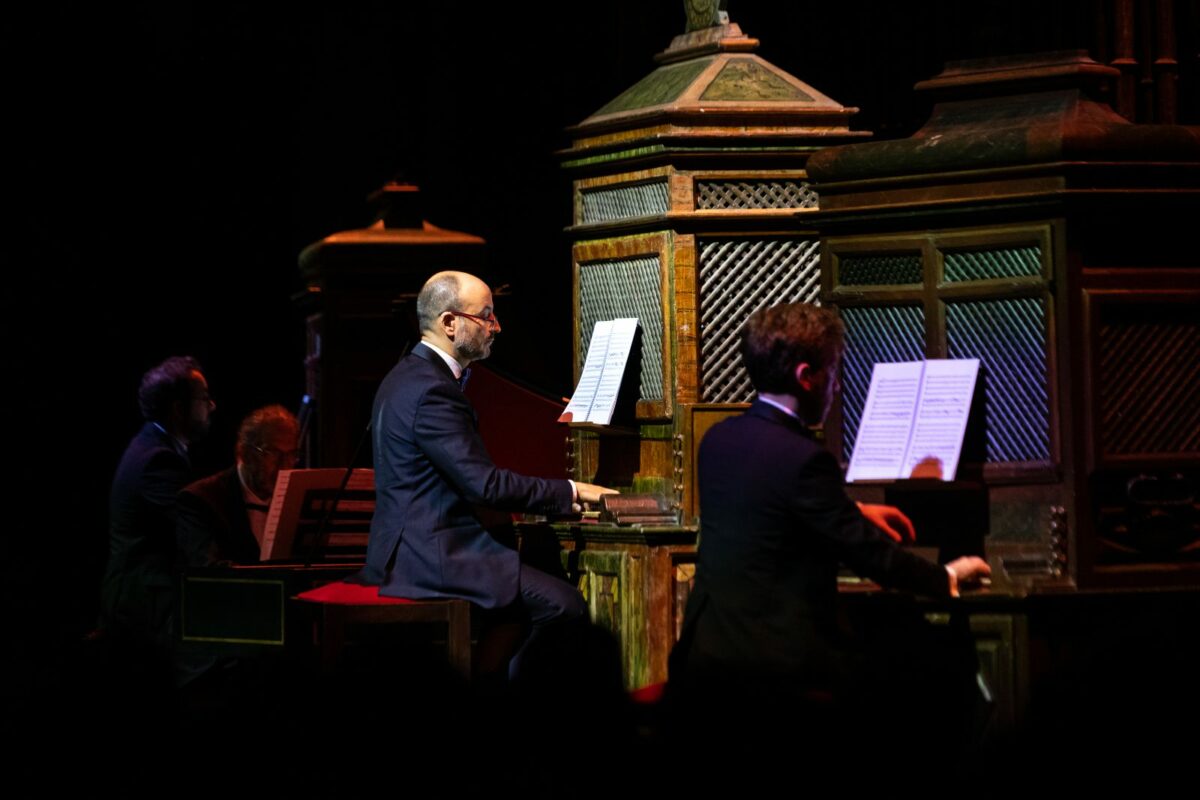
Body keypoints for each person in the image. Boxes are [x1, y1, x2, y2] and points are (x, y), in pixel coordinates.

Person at [666, 303, 991, 785]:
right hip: (777, 668)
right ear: (807, 376)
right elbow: (874, 559)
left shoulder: (719, 440)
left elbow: (765, 509)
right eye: (834, 372)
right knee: (932, 685)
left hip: (707, 655)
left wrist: (850, 511)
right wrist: (946, 576)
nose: (837, 387)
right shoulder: (803, 458)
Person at [359, 270, 616, 681]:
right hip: (432, 557)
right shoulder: (431, 390)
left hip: (418, 549)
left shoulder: (409, 376)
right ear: (449, 323)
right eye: (487, 317)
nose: (497, 327)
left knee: (515, 610)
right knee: (566, 607)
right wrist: (572, 490)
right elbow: (484, 484)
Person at [100, 356, 215, 657]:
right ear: (178, 409)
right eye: (204, 398)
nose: (212, 406)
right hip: (145, 608)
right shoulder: (158, 460)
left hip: (144, 600)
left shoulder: (153, 446)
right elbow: (192, 531)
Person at [176, 404, 300, 567]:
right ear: (243, 452)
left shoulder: (297, 501)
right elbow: (208, 570)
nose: (284, 466)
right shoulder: (200, 500)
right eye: (273, 453)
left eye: (291, 455)